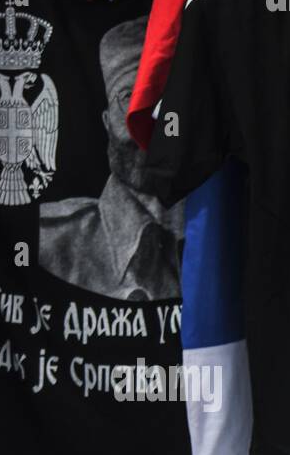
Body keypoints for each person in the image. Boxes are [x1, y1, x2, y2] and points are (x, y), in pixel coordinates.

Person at [38, 15, 183, 301]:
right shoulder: (52, 242)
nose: (147, 126)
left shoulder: (235, 236)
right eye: (128, 97)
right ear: (106, 122)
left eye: (167, 100)